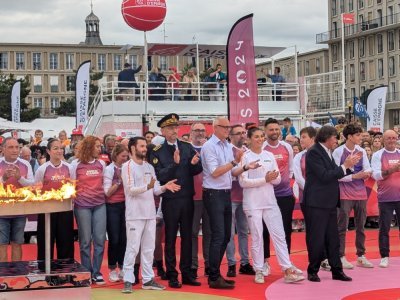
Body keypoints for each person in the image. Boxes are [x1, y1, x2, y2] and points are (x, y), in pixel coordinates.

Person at [239, 127, 304, 284]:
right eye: (256, 136)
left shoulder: (268, 155)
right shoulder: (245, 157)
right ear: (249, 139)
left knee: (279, 235)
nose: (260, 139)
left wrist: (272, 178)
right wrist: (265, 179)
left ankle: (287, 268)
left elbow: (277, 179)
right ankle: (259, 269)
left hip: (270, 201)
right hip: (252, 203)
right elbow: (243, 182)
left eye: (262, 136)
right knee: (257, 237)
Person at [201, 117, 259, 289]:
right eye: (224, 127)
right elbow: (215, 172)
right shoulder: (209, 147)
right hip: (213, 194)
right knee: (219, 235)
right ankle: (213, 276)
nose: (227, 130)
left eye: (228, 127)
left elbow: (232, 172)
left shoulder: (226, 146)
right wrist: (234, 161)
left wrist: (246, 167)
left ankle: (216, 273)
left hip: (225, 193)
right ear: (215, 128)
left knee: (226, 235)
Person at [149, 113, 203, 288]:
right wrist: (174, 164)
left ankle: (187, 273)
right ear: (163, 131)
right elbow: (159, 175)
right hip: (171, 200)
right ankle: (172, 274)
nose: (174, 131)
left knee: (187, 237)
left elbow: (195, 171)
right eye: (170, 128)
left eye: (176, 127)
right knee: (170, 238)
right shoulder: (157, 151)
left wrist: (195, 163)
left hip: (187, 198)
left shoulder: (187, 147)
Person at [121, 137, 180, 293]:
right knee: (132, 248)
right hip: (134, 215)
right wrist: (147, 186)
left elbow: (155, 190)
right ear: (132, 148)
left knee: (148, 248)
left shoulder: (149, 167)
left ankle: (148, 279)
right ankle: (128, 279)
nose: (144, 149)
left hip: (149, 214)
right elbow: (130, 190)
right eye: (141, 146)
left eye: (145, 146)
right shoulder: (127, 166)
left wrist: (165, 187)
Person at [303, 125, 360, 282]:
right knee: (317, 238)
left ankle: (337, 270)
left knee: (332, 238)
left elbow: (336, 172)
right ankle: (312, 270)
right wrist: (345, 166)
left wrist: (349, 166)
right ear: (327, 137)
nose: (337, 140)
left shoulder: (327, 152)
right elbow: (324, 175)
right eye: (335, 137)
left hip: (328, 202)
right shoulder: (314, 152)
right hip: (316, 203)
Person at [332, 124, 373, 269]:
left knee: (361, 226)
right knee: (341, 227)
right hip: (344, 194)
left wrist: (366, 173)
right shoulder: (338, 152)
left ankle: (361, 255)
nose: (361, 138)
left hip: (361, 193)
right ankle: (340, 256)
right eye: (358, 135)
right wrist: (355, 176)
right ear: (349, 137)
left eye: (361, 135)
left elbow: (368, 168)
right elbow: (336, 175)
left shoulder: (361, 151)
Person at [262, 118, 300, 275]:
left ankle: (287, 262)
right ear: (265, 131)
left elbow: (291, 168)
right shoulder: (263, 148)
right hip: (267, 195)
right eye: (271, 130)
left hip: (285, 195)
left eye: (277, 129)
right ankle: (264, 262)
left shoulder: (286, 147)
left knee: (285, 230)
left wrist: (285, 182)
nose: (274, 132)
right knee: (264, 230)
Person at [70, 135, 107, 285]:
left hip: (99, 205)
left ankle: (97, 272)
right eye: (97, 146)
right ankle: (86, 271)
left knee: (99, 240)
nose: (100, 149)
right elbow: (71, 185)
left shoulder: (101, 164)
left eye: (100, 146)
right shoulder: (75, 164)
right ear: (89, 147)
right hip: (82, 206)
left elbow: (104, 183)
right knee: (85, 241)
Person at [35, 139, 74, 261]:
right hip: (47, 210)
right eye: (55, 148)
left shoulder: (69, 167)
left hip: (64, 209)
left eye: (61, 148)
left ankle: (66, 273)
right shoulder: (42, 169)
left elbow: (74, 187)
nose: (59, 151)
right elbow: (36, 189)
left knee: (65, 241)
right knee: (46, 241)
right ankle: (45, 271)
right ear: (48, 151)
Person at [226, 125, 254, 278]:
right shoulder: (227, 151)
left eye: (243, 133)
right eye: (238, 133)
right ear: (230, 136)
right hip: (229, 196)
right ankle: (231, 264)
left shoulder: (248, 152)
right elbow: (226, 173)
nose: (242, 136)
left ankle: (244, 263)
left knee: (243, 231)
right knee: (229, 233)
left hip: (245, 196)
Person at [0, 137, 34, 262]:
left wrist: (20, 178)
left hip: (20, 210)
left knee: (17, 243)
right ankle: (3, 276)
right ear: (2, 149)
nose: (15, 150)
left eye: (17, 147)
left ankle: (16, 274)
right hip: (1, 212)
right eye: (10, 147)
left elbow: (32, 186)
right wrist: (3, 178)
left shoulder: (25, 164)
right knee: (2, 244)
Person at [371, 130, 400, 268]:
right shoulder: (378, 155)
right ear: (383, 139)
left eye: (394, 138)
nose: (391, 140)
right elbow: (375, 175)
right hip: (385, 198)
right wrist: (391, 170)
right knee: (384, 229)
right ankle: (384, 256)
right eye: (388, 138)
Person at [103, 144, 129, 282]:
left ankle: (123, 266)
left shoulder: (128, 167)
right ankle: (112, 268)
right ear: (115, 155)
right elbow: (107, 193)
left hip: (126, 206)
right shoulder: (109, 169)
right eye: (123, 156)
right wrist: (119, 181)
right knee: (114, 238)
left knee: (125, 238)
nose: (125, 159)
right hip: (112, 206)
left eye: (127, 156)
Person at [189, 123, 211, 278]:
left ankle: (209, 266)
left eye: (202, 130)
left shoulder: (210, 148)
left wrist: (206, 150)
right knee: (192, 233)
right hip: (192, 197)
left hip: (210, 196)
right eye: (197, 130)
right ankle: (193, 266)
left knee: (209, 233)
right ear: (191, 133)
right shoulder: (186, 149)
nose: (200, 133)